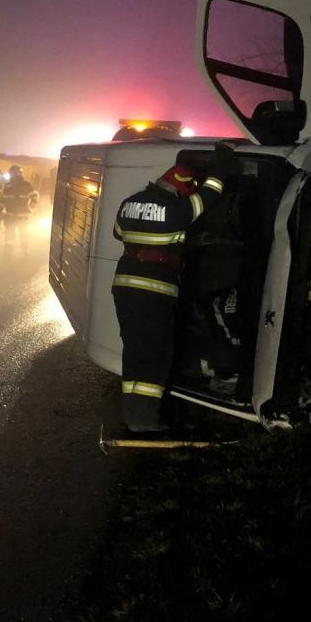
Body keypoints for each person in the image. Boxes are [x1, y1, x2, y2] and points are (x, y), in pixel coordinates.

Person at [111, 142, 236, 433]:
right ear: (180, 188)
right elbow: (210, 196)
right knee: (156, 355)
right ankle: (145, 421)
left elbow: (118, 234)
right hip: (154, 290)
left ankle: (133, 415)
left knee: (135, 352)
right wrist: (220, 168)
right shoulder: (177, 208)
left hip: (124, 288)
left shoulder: (130, 201)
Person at [0, 165, 38, 256]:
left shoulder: (26, 185)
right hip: (12, 215)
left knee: (22, 235)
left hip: (20, 215)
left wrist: (33, 202)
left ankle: (24, 252)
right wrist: (0, 208)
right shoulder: (7, 185)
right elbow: (3, 199)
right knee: (12, 236)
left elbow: (34, 196)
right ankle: (9, 253)